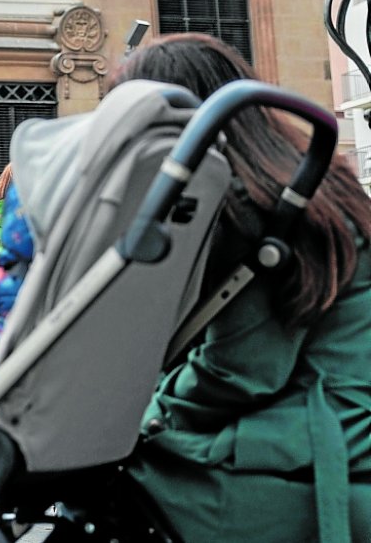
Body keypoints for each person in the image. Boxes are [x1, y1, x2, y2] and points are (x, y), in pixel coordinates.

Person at [109, 33, 371, 541]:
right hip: (346, 409)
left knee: (136, 464)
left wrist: (149, 413)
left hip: (334, 425)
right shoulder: (303, 183)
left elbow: (243, 371)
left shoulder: (261, 209)